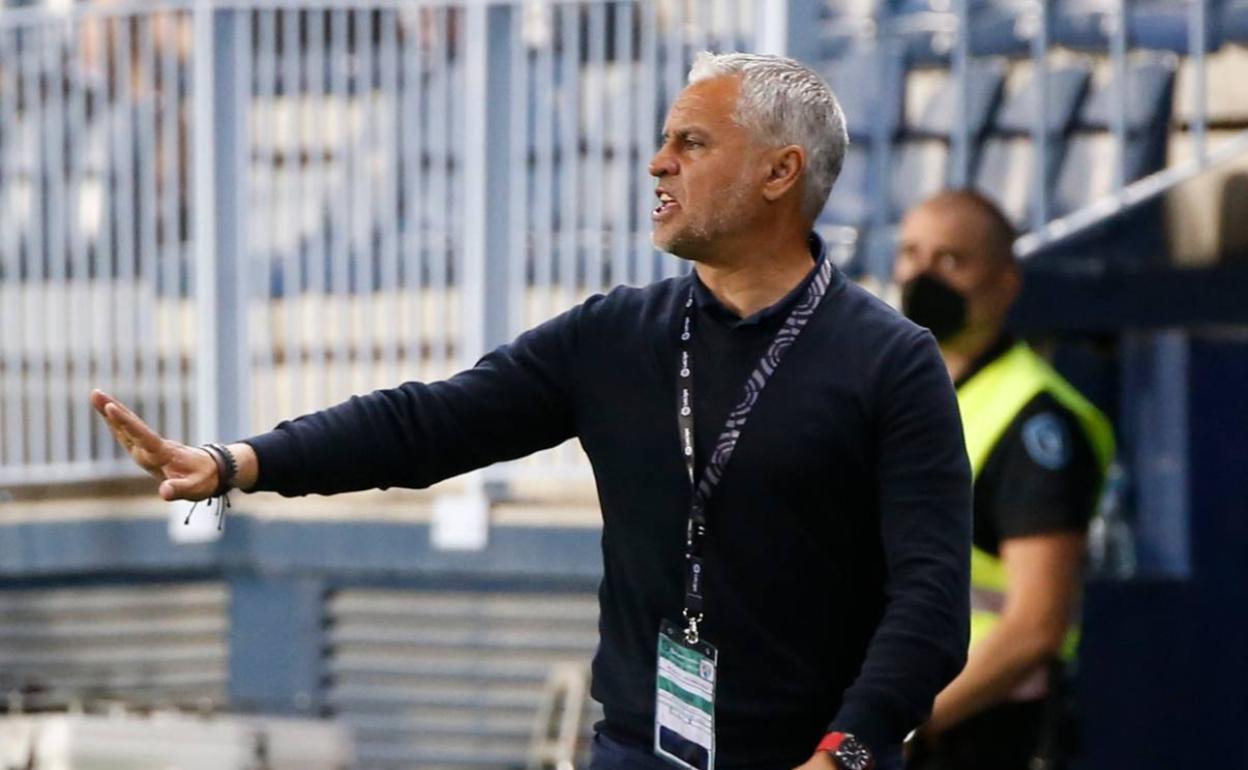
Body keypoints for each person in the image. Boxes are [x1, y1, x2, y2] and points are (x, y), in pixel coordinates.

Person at [92, 53, 971, 770]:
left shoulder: (890, 363)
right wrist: (240, 462)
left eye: (692, 143)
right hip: (640, 750)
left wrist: (844, 754)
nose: (659, 163)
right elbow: (427, 423)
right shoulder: (616, 335)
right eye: (664, 140)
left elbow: (930, 603)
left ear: (781, 171)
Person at [893, 190, 1115, 770]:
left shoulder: (1034, 424)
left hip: (975, 731)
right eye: (911, 254)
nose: (923, 275)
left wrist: (903, 729)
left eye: (951, 261)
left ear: (1006, 283)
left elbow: (1036, 627)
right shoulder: (894, 392)